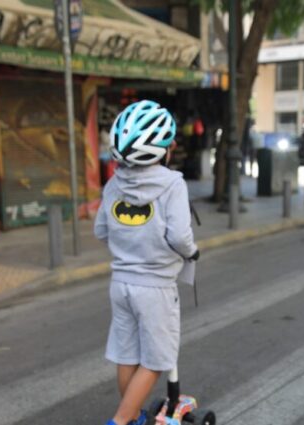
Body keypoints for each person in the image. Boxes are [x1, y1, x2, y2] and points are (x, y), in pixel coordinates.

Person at [95, 100, 199, 425]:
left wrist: (129, 245)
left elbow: (101, 230)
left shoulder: (113, 184)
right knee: (156, 361)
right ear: (163, 149)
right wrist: (192, 251)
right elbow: (179, 236)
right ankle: (121, 421)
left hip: (120, 284)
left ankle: (136, 418)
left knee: (127, 354)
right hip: (155, 287)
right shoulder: (172, 183)